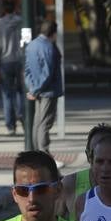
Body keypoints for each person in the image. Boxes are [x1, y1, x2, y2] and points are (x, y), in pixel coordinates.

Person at [25, 18, 63, 153]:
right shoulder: (49, 47)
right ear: (53, 33)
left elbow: (27, 69)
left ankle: (36, 151)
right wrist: (35, 90)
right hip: (48, 91)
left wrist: (31, 88)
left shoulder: (31, 45)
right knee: (44, 124)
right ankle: (43, 152)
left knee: (37, 122)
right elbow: (47, 74)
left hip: (37, 89)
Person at [0, 0, 26, 135]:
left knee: (7, 95)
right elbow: (26, 41)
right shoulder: (22, 22)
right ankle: (23, 117)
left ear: (4, 9)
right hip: (20, 61)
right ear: (15, 8)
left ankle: (11, 126)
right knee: (21, 92)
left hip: (5, 63)